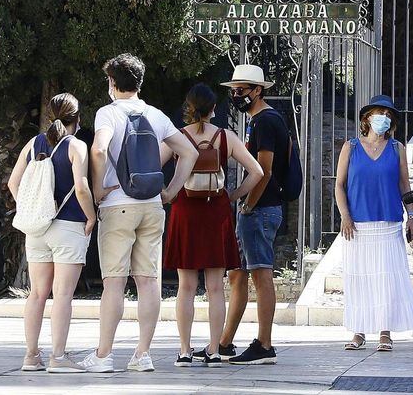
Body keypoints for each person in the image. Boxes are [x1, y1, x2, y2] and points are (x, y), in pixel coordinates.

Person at [86, 53, 199, 374]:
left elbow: (97, 148)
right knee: (149, 282)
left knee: (114, 283)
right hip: (151, 205)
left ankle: (104, 355)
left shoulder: (107, 114)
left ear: (111, 82)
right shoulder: (155, 114)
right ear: (139, 82)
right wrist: (171, 190)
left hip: (117, 205)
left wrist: (98, 188)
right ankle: (142, 354)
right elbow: (188, 151)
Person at [167, 84, 264, 367]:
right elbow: (256, 171)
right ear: (213, 109)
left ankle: (184, 351)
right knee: (215, 287)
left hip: (185, 210)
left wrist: (167, 191)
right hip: (216, 211)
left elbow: (153, 162)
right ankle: (213, 349)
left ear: (188, 107)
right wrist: (233, 195)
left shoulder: (178, 137)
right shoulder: (226, 137)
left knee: (185, 286)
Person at [8, 93, 96, 373]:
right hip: (68, 226)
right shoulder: (76, 146)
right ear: (77, 118)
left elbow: (13, 183)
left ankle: (31, 356)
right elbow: (81, 187)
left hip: (37, 229)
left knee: (37, 294)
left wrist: (30, 207)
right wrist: (91, 216)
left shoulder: (33, 145)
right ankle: (58, 357)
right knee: (62, 295)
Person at [335, 95, 413, 350]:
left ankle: (385, 331)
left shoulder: (397, 148)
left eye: (388, 113)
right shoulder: (350, 147)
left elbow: (404, 184)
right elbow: (339, 185)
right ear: (367, 117)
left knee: (386, 279)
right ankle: (359, 330)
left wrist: (412, 216)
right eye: (379, 112)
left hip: (388, 221)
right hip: (357, 224)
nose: (383, 116)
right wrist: (345, 216)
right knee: (359, 278)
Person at [219, 64, 291, 366]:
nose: (236, 95)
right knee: (237, 275)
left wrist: (247, 203)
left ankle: (264, 344)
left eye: (241, 90)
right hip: (260, 209)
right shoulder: (262, 120)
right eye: (233, 90)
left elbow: (264, 170)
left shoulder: (264, 122)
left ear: (257, 90)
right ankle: (223, 343)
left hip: (260, 209)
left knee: (261, 275)